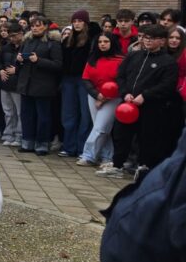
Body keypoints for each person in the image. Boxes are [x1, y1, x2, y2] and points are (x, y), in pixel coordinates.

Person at [100, 23, 181, 179]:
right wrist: (125, 93)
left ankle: (144, 167)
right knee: (121, 135)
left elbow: (167, 85)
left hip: (151, 107)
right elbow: (121, 75)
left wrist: (146, 95)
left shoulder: (168, 62)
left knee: (148, 137)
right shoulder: (134, 55)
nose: (148, 41)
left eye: (152, 38)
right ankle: (117, 165)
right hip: (128, 105)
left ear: (162, 41)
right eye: (145, 38)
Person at [16, 17, 63, 156]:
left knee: (43, 117)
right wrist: (19, 60)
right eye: (32, 26)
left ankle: (42, 144)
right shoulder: (27, 41)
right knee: (26, 115)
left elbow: (58, 65)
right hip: (27, 85)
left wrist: (39, 60)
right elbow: (19, 65)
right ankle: (27, 142)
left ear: (46, 27)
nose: (35, 28)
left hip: (44, 87)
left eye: (38, 26)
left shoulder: (53, 44)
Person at [80, 33, 123, 169]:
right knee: (103, 129)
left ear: (112, 43)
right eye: (100, 42)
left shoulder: (121, 60)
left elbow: (121, 81)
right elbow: (86, 79)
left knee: (100, 128)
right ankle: (107, 156)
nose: (102, 44)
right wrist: (96, 95)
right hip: (94, 96)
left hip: (112, 98)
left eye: (106, 41)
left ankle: (88, 156)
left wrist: (104, 97)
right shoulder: (92, 59)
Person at [59, 10, 96, 158]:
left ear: (85, 23)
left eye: (80, 21)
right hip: (68, 80)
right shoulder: (68, 40)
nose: (77, 24)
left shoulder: (91, 40)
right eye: (74, 21)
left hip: (84, 80)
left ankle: (82, 148)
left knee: (85, 115)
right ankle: (69, 146)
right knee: (68, 114)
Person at [0, 21, 24, 147]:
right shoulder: (6, 47)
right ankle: (8, 134)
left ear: (21, 34)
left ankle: (19, 136)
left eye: (14, 35)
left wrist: (17, 70)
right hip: (5, 83)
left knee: (19, 112)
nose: (12, 38)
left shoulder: (26, 47)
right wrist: (0, 70)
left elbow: (29, 66)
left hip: (18, 84)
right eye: (10, 36)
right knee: (8, 111)